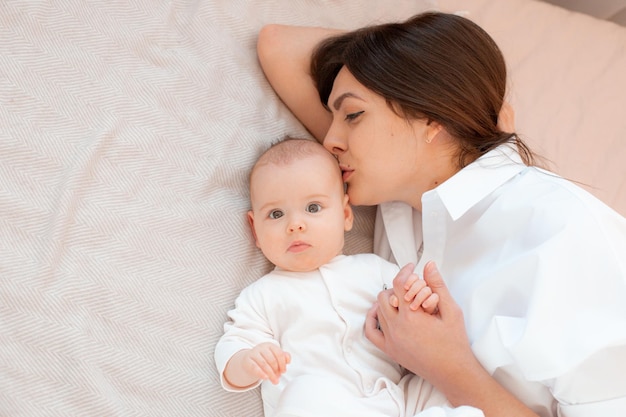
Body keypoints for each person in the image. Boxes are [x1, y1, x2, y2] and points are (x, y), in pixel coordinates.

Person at [256, 11, 626, 417]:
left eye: (353, 115)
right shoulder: (402, 201)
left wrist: (448, 367)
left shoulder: (563, 235)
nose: (329, 141)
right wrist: (471, 96)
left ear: (432, 116)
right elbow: (277, 46)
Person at [214, 137, 484, 417]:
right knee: (304, 393)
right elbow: (232, 348)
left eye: (313, 208)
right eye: (276, 214)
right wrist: (247, 361)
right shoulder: (263, 296)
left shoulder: (377, 270)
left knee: (445, 392)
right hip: (327, 406)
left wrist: (420, 300)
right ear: (255, 229)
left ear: (345, 214)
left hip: (394, 400)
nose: (295, 225)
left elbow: (416, 322)